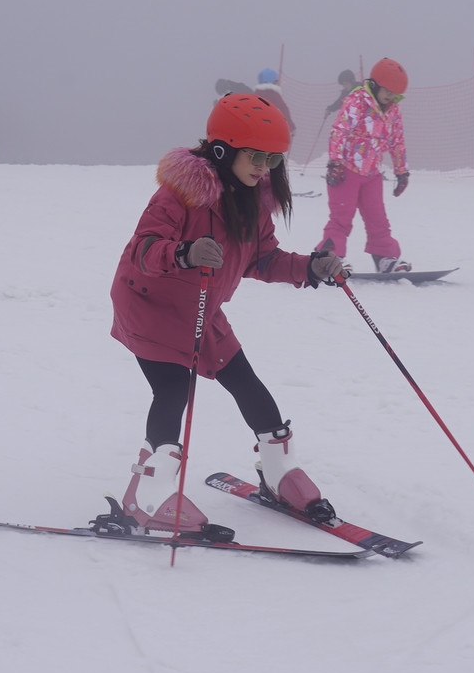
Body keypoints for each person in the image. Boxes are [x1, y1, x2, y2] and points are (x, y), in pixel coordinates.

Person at [108, 92, 345, 534]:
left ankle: (279, 473)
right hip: (151, 307)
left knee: (248, 385)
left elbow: (264, 259)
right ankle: (146, 495)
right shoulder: (180, 193)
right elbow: (141, 249)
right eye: (255, 156)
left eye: (273, 159)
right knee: (173, 391)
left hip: (201, 308)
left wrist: (310, 268)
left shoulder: (254, 202)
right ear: (223, 150)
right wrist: (183, 252)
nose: (263, 167)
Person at [322, 57, 412, 273]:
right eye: (387, 90)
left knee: (378, 219)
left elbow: (396, 141)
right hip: (345, 171)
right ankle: (330, 258)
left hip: (372, 174)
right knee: (341, 218)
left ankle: (385, 258)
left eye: (394, 93)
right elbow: (339, 131)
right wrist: (334, 162)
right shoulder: (357, 102)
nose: (390, 96)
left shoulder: (392, 110)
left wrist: (402, 172)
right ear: (375, 84)